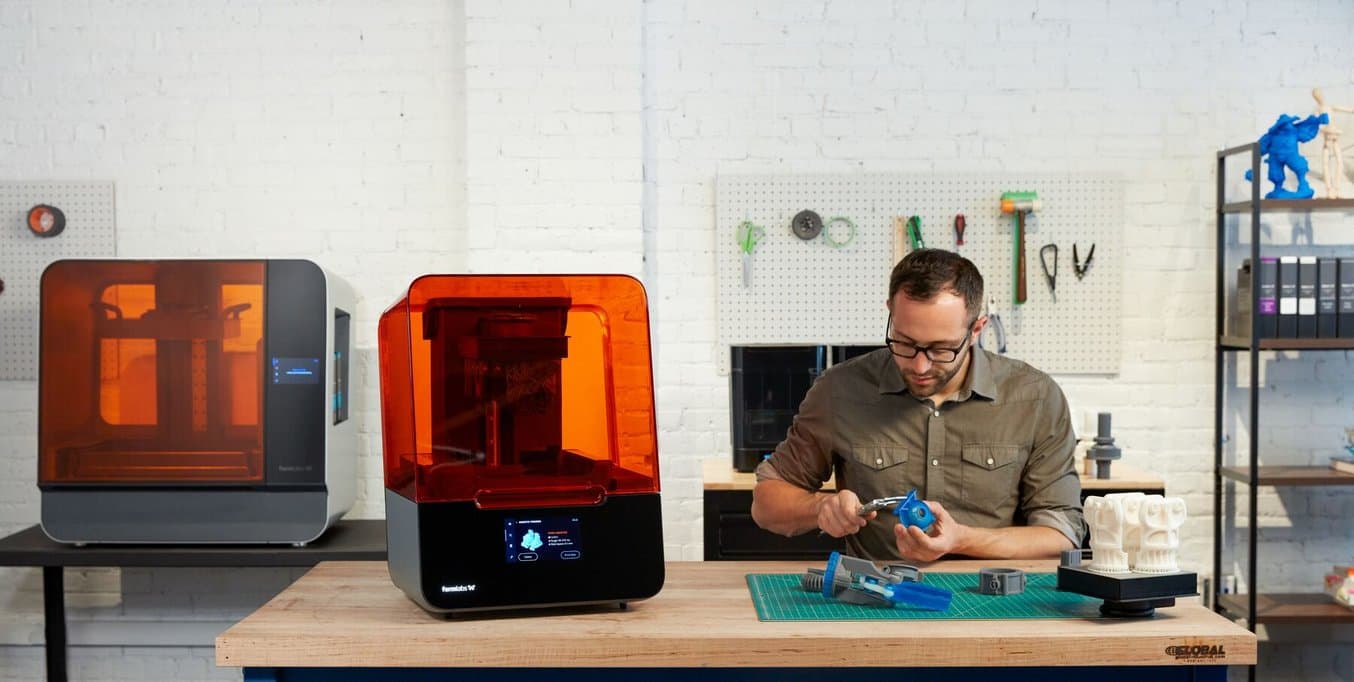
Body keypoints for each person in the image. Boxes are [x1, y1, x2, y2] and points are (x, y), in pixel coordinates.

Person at [750, 248, 1083, 562]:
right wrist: (820, 506)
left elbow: (1060, 535)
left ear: (976, 330)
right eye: (905, 342)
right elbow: (766, 504)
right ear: (891, 314)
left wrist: (961, 539)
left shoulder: (1035, 398)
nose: (920, 367)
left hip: (992, 599)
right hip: (874, 598)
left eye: (941, 349)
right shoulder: (840, 390)